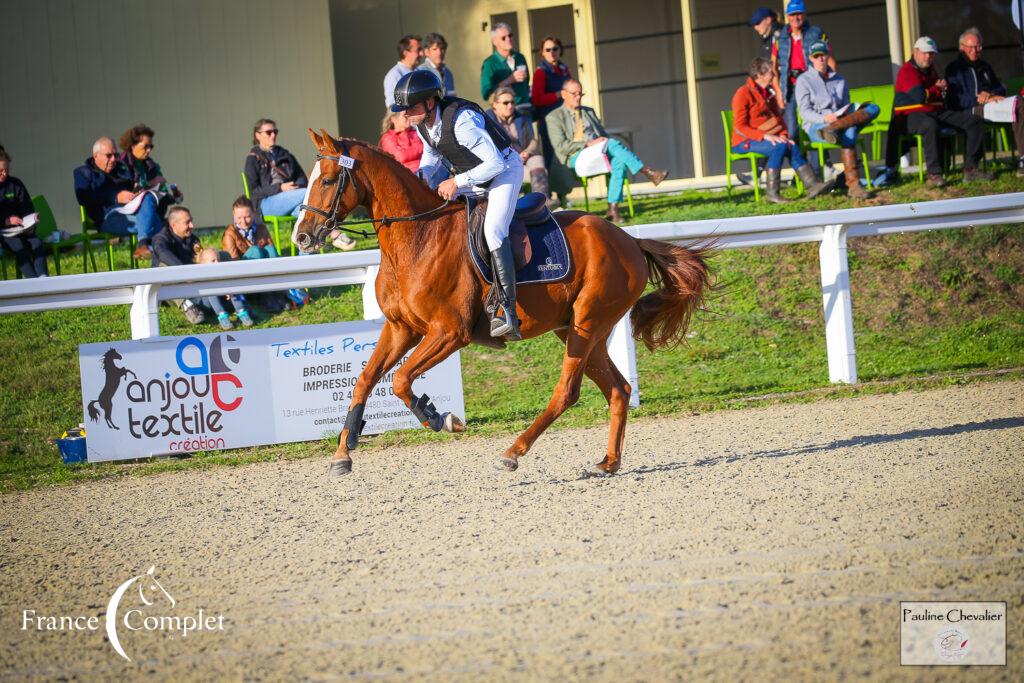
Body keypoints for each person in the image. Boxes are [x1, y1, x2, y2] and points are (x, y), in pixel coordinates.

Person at [392, 70, 524, 339]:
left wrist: (456, 181)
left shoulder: (462, 122)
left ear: (430, 102)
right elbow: (431, 156)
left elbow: (496, 163)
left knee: (493, 231)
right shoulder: (423, 124)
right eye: (403, 109)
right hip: (474, 174)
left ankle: (507, 309)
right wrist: (421, 177)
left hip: (505, 171)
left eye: (411, 107)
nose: (406, 114)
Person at [546, 78, 667, 222]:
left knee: (619, 161)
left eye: (580, 94)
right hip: (574, 158)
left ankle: (613, 209)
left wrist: (599, 143)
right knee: (613, 144)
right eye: (574, 94)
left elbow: (603, 135)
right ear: (564, 94)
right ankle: (647, 171)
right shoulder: (554, 117)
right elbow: (561, 147)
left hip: (597, 153)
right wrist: (589, 143)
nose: (578, 97)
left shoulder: (588, 112)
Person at [885, 37, 990, 187]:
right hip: (908, 116)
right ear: (915, 52)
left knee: (974, 121)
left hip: (934, 112)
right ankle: (934, 174)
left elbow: (931, 96)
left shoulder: (931, 69)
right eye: (925, 53)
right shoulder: (907, 71)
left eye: (932, 54)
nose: (929, 57)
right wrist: (938, 89)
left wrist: (940, 91)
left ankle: (971, 169)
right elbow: (920, 97)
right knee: (930, 124)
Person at [244, 118, 355, 250]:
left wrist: (295, 187)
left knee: (305, 215)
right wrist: (280, 188)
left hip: (294, 199)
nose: (273, 135)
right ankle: (335, 234)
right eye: (268, 132)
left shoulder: (284, 154)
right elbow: (254, 191)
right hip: (266, 204)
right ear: (258, 135)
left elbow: (302, 178)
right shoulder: (252, 158)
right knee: (306, 194)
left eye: (275, 131)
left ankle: (307, 256)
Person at [732, 58, 829, 204]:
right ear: (760, 75)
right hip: (744, 141)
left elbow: (778, 119)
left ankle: (813, 185)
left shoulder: (767, 92)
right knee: (779, 146)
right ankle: (772, 193)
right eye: (771, 72)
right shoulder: (743, 93)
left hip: (766, 137)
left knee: (790, 144)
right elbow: (740, 127)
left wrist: (784, 136)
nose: (774, 75)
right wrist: (765, 136)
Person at [795, 40, 880, 198]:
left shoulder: (839, 79)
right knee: (850, 133)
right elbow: (804, 112)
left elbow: (845, 105)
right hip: (817, 126)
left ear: (828, 56)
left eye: (823, 55)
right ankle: (854, 186)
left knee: (874, 108)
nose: (821, 59)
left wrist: (843, 114)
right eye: (817, 56)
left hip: (840, 122)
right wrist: (825, 118)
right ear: (811, 58)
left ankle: (834, 129)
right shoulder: (803, 80)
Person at [152, 206, 252, 329]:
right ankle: (187, 306)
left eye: (191, 221)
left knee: (223, 255)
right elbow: (162, 254)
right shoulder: (161, 239)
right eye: (187, 222)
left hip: (196, 284)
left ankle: (234, 295)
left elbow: (202, 260)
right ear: (174, 225)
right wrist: (186, 273)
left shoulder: (192, 239)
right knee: (163, 267)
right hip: (176, 290)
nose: (192, 225)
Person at [945, 27, 1024, 176]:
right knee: (1019, 103)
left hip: (991, 104)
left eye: (978, 46)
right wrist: (978, 99)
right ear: (962, 48)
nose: (975, 50)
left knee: (1020, 103)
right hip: (971, 109)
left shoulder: (984, 66)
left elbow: (1000, 88)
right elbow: (955, 99)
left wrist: (990, 95)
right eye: (971, 47)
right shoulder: (954, 69)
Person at [74, 136, 161, 260]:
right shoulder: (83, 173)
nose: (113, 159)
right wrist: (115, 198)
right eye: (108, 155)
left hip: (131, 211)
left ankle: (146, 248)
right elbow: (83, 197)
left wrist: (137, 190)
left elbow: (132, 186)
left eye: (115, 155)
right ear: (96, 156)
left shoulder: (121, 169)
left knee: (148, 197)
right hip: (107, 218)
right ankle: (155, 256)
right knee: (157, 224)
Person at [771, 1, 832, 143]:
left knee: (816, 124)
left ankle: (820, 163)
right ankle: (800, 162)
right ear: (787, 16)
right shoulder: (780, 36)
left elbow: (829, 60)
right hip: (790, 87)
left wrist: (830, 83)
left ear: (804, 14)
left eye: (798, 14)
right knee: (791, 129)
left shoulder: (816, 32)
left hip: (813, 85)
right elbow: (773, 66)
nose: (795, 18)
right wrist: (779, 92)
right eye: (792, 15)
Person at [487, 87, 557, 209]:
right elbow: (491, 146)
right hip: (504, 162)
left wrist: (527, 152)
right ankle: (533, 206)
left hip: (524, 158)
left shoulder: (521, 117)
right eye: (505, 103)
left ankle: (542, 201)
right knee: (537, 172)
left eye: (512, 102)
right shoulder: (488, 120)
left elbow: (533, 141)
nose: (510, 106)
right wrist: (513, 155)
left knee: (537, 160)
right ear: (495, 104)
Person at [0, 150, 48, 278]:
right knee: (19, 246)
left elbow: (27, 207)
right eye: (0, 171)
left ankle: (44, 279)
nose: (4, 174)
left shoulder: (15, 184)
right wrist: (7, 221)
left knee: (37, 243)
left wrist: (31, 220)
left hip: (22, 229)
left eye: (6, 170)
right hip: (4, 233)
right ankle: (33, 283)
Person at [116, 123, 182, 218]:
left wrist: (175, 197)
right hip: (127, 211)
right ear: (132, 146)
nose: (148, 150)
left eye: (151, 147)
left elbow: (162, 194)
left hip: (152, 209)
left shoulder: (152, 166)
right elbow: (126, 193)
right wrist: (151, 183)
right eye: (145, 146)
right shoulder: (121, 164)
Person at [531, 35, 573, 170]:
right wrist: (557, 94)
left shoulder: (564, 69)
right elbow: (536, 99)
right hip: (549, 119)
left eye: (555, 49)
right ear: (542, 53)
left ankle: (564, 191)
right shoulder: (540, 72)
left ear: (560, 50)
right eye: (547, 50)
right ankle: (549, 191)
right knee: (551, 157)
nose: (552, 52)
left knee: (566, 154)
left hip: (566, 117)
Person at [481, 23, 530, 116]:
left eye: (510, 35)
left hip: (525, 108)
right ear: (494, 42)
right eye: (503, 37)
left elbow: (527, 81)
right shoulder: (489, 63)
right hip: (504, 114)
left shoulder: (520, 57)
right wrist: (509, 80)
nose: (508, 39)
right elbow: (486, 94)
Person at [222, 196, 277, 260]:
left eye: (247, 217)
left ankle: (277, 269)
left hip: (263, 264)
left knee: (271, 250)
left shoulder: (261, 229)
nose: (243, 222)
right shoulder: (230, 234)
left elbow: (271, 249)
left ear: (253, 213)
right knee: (255, 251)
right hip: (242, 267)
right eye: (239, 218)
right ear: (234, 215)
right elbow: (231, 261)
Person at [383, 34, 422, 108]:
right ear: (405, 53)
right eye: (418, 50)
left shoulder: (419, 72)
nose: (421, 53)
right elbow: (393, 106)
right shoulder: (393, 75)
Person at [417, 32, 456, 97]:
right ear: (426, 52)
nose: (439, 52)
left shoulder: (447, 72)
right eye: (435, 49)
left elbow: (452, 97)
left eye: (442, 49)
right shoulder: (421, 72)